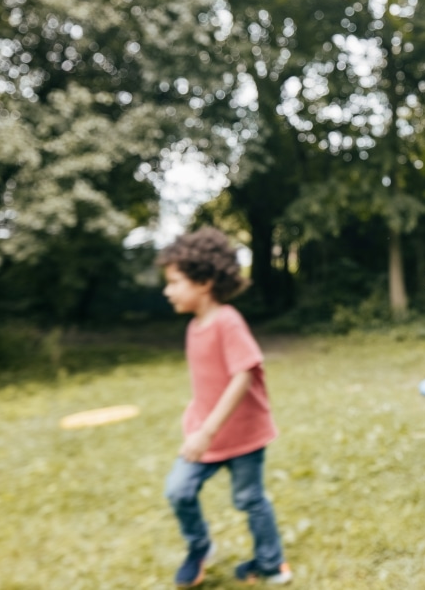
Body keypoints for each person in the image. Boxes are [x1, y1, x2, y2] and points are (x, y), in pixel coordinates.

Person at [157, 228, 292, 587]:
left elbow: (243, 375)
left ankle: (271, 562)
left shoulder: (227, 321)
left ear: (202, 282)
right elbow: (207, 383)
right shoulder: (193, 328)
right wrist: (195, 420)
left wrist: (207, 430)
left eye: (173, 282)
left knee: (250, 499)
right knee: (178, 490)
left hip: (243, 436)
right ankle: (199, 548)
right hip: (205, 438)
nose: (166, 290)